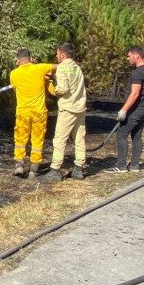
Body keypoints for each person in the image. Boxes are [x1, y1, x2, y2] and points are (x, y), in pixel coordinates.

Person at [40, 43, 87, 182]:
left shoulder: (62, 68)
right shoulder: (76, 68)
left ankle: (55, 170)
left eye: (57, 53)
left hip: (68, 108)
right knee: (79, 138)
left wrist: (51, 85)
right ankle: (79, 168)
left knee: (59, 139)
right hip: (80, 107)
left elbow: (62, 89)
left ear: (63, 54)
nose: (56, 55)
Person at [104, 46, 144, 173]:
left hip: (137, 109)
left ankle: (121, 166)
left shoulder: (138, 73)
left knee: (121, 134)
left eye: (129, 56)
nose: (127, 59)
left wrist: (124, 110)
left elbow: (135, 94)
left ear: (137, 56)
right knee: (137, 136)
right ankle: (134, 166)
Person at [9, 48, 57, 177]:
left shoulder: (13, 74)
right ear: (30, 58)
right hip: (39, 112)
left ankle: (19, 165)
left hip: (23, 112)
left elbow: (15, 91)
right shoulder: (40, 68)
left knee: (20, 139)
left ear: (18, 60)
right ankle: (33, 170)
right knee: (37, 140)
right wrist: (49, 76)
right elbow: (58, 66)